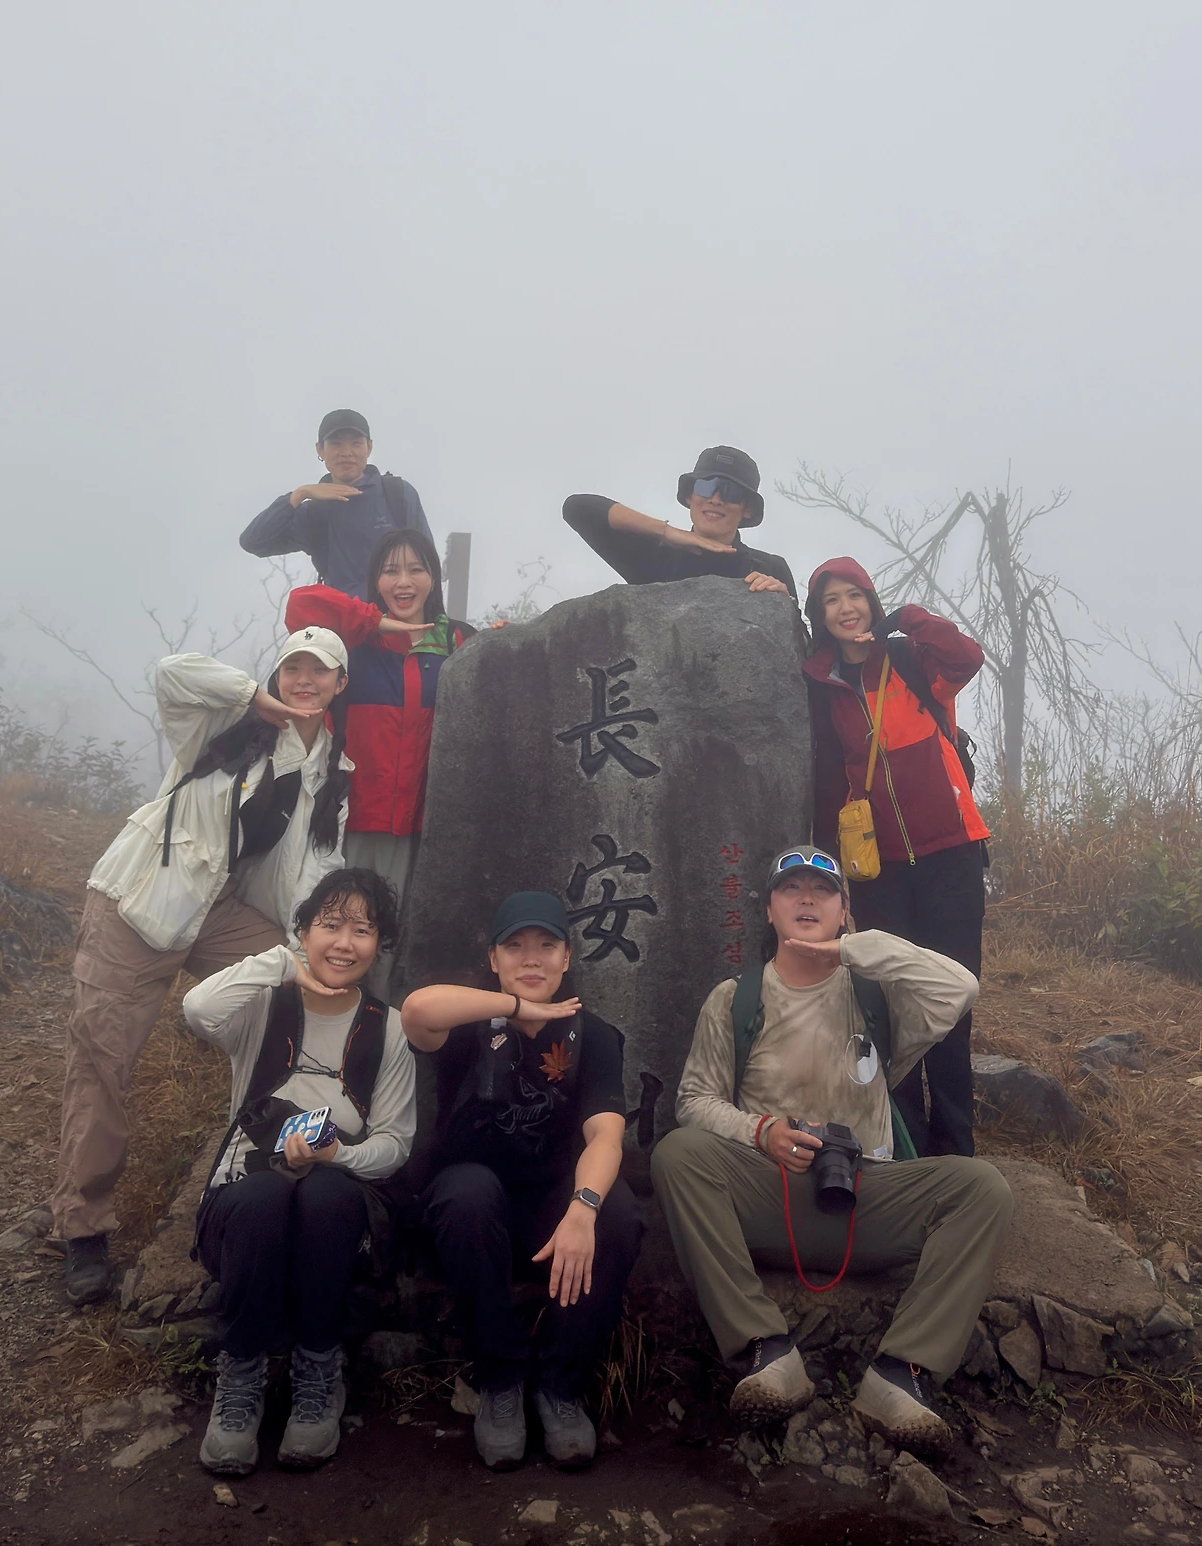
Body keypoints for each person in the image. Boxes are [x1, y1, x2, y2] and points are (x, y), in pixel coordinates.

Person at [49, 617, 420, 1307]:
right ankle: (82, 1226)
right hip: (138, 904)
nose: (305, 680)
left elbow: (311, 870)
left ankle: (293, 1143)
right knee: (104, 1059)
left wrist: (319, 948)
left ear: (340, 683)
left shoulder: (331, 772)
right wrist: (254, 696)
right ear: (277, 676)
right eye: (293, 668)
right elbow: (172, 674)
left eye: (319, 670)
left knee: (304, 984)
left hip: (217, 912)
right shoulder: (227, 723)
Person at [651, 847, 1013, 1458]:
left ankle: (899, 1375)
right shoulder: (734, 999)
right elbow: (693, 1101)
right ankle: (766, 1350)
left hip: (868, 1194)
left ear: (846, 911)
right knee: (678, 1154)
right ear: (769, 910)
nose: (806, 899)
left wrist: (852, 951)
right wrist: (761, 1132)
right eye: (790, 888)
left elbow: (961, 986)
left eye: (822, 890)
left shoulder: (878, 995)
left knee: (983, 1189)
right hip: (772, 1194)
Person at [400, 891, 644, 1473]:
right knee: (466, 1194)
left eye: (546, 945)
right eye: (514, 946)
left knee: (616, 1211)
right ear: (493, 958)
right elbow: (415, 1011)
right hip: (469, 1206)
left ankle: (560, 1385)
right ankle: (500, 1380)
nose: (531, 958)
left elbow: (606, 1136)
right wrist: (515, 1006)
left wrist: (583, 1209)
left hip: (548, 1209)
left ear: (567, 957)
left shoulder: (594, 1036)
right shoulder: (467, 1025)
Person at [184, 867, 416, 1477]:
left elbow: (395, 1145)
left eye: (362, 930)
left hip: (336, 1213)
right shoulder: (264, 1005)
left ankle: (318, 1367)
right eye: (330, 925)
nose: (344, 943)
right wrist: (281, 963)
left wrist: (337, 1155)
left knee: (325, 1193)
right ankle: (241, 1372)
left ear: (379, 943)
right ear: (304, 931)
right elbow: (197, 1008)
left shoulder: (388, 1028)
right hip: (243, 1201)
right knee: (264, 1197)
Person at [802, 557, 991, 1158]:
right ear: (819, 615)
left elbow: (966, 656)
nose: (846, 608)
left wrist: (905, 619)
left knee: (952, 996)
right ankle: (903, 1141)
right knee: (888, 1001)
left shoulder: (910, 659)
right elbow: (827, 784)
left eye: (855, 595)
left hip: (951, 856)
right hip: (876, 868)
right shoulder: (819, 684)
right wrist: (832, 876)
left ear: (871, 602)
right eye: (832, 600)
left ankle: (954, 1147)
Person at [282, 528, 473, 991]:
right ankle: (320, 1021)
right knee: (334, 932)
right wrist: (375, 621)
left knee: (391, 942)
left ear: (433, 577)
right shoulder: (354, 643)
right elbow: (300, 606)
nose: (403, 581)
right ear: (376, 581)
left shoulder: (458, 642)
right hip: (351, 819)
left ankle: (377, 1027)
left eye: (416, 569)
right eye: (390, 571)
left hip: (420, 827)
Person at [240, 407, 432, 600]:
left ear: (369, 447)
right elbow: (253, 542)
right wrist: (299, 494)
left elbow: (428, 564)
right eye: (335, 444)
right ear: (320, 450)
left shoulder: (397, 494)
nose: (346, 452)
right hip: (340, 617)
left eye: (356, 443)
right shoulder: (313, 513)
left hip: (397, 612)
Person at [562, 445, 797, 599]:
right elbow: (577, 508)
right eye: (705, 486)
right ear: (689, 496)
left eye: (730, 492)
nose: (715, 500)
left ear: (748, 508)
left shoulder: (770, 569)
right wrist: (667, 532)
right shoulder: (654, 557)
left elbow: (803, 648)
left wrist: (783, 604)